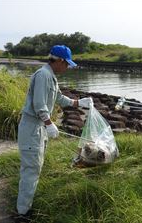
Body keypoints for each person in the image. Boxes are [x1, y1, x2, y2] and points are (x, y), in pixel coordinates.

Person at [15, 45, 93, 222]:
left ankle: (24, 207)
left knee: (35, 167)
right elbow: (39, 105)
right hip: (32, 127)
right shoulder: (43, 75)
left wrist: (79, 103)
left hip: (38, 128)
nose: (67, 69)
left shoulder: (51, 76)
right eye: (66, 65)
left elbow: (58, 97)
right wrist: (49, 123)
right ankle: (22, 214)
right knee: (31, 169)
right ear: (59, 61)